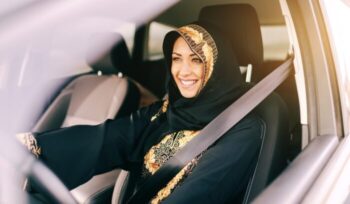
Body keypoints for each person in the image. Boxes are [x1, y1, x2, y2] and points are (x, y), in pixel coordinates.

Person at [18, 21, 264, 203]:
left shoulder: (243, 126)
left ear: (215, 67)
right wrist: (34, 148)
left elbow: (204, 191)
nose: (183, 71)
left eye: (197, 60)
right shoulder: (168, 110)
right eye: (176, 59)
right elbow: (110, 138)